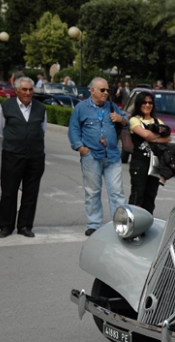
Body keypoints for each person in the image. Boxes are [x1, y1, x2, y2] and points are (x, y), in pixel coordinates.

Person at [68, 77, 128, 236]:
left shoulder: (111, 106)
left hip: (112, 155)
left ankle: (120, 224)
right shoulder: (81, 108)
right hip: (91, 156)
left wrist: (120, 119)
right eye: (103, 90)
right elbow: (73, 129)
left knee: (117, 192)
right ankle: (94, 224)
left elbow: (126, 121)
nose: (106, 93)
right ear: (92, 90)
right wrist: (80, 147)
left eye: (107, 90)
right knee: (93, 192)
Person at [0, 77, 47, 238]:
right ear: (17, 91)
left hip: (35, 157)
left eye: (30, 90)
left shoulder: (40, 108)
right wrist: (13, 144)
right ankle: (6, 226)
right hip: (12, 156)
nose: (28, 93)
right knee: (9, 192)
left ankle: (25, 225)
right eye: (24, 89)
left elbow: (42, 130)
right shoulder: (5, 107)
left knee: (30, 192)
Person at [127, 92, 172, 214]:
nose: (147, 105)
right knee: (138, 194)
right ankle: (132, 223)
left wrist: (154, 138)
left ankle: (146, 226)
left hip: (155, 164)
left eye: (150, 102)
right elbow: (145, 134)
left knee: (150, 196)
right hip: (140, 163)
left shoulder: (157, 121)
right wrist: (157, 135)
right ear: (139, 104)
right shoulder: (134, 120)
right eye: (144, 102)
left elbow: (168, 137)